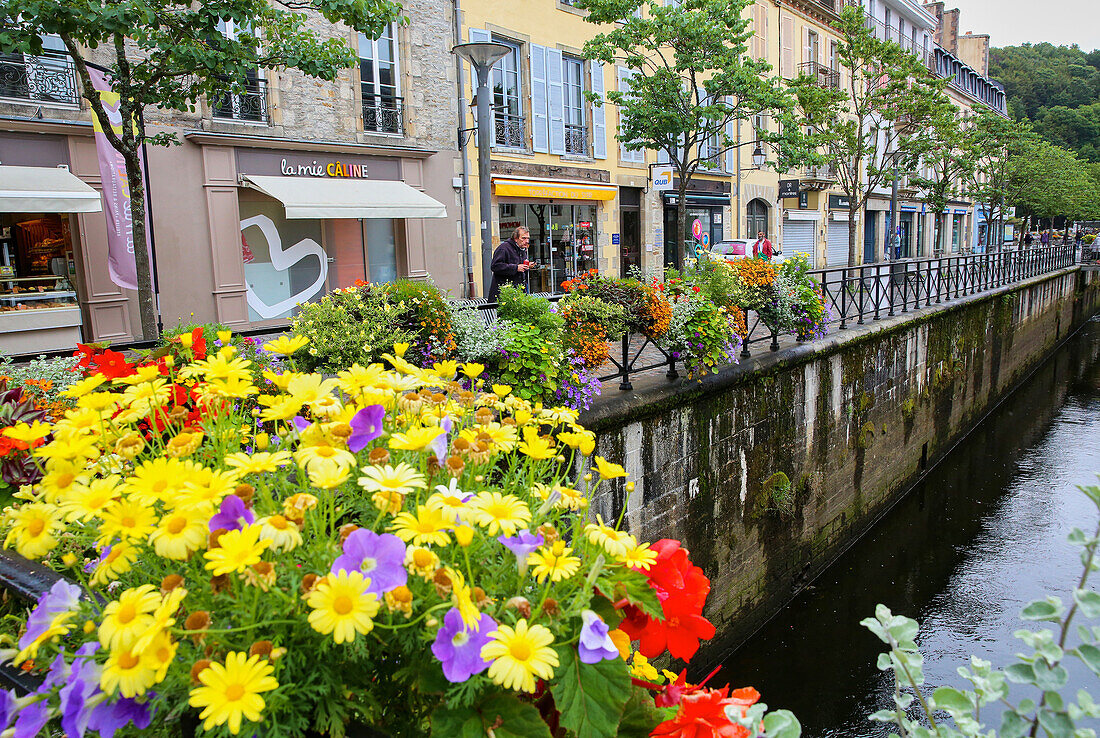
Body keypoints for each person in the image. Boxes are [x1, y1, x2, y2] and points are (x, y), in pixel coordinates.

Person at [487, 226, 531, 301]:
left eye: (528, 238)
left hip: (518, 293)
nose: (527, 241)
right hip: (503, 294)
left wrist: (526, 266)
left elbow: (520, 268)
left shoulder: (522, 249)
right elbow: (495, 266)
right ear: (515, 238)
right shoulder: (504, 248)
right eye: (523, 238)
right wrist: (516, 268)